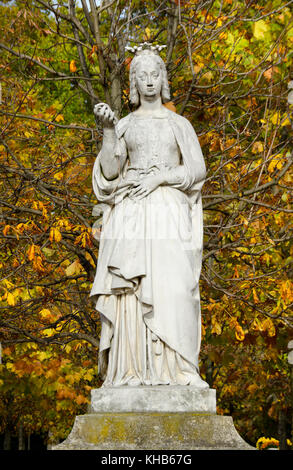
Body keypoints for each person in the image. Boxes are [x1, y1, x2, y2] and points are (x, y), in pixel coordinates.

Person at [90, 44, 208, 388]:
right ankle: (132, 369)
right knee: (129, 291)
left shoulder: (178, 123)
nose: (150, 81)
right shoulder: (125, 124)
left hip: (169, 214)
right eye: (142, 75)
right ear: (133, 82)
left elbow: (197, 169)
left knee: (175, 288)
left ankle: (179, 369)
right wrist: (109, 131)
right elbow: (109, 175)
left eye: (155, 74)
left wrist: (161, 177)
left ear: (163, 78)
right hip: (131, 215)